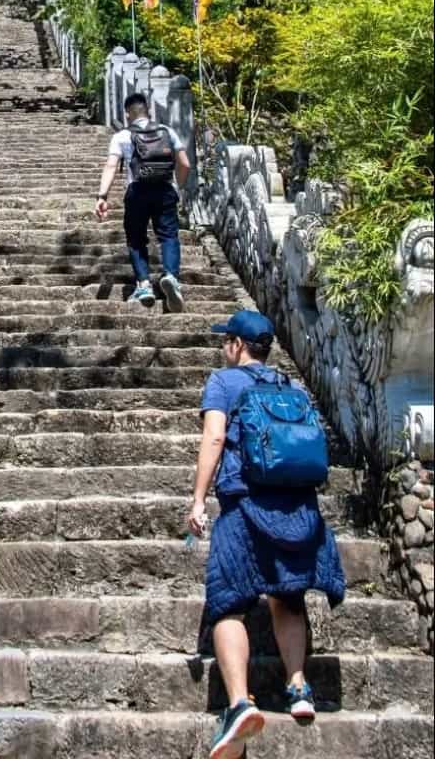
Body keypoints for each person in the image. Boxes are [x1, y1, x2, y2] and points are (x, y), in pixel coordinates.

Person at [188, 310, 346, 759]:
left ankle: (240, 703)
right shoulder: (288, 386)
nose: (224, 348)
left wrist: (198, 499)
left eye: (227, 341)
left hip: (244, 504)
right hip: (296, 506)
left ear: (237, 345)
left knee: (229, 603)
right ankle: (298, 688)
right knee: (288, 597)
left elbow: (214, 438)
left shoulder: (223, 382)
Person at [95, 92, 191, 310]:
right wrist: (180, 188)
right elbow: (185, 164)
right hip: (166, 189)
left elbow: (111, 166)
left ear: (127, 114)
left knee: (136, 239)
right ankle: (171, 277)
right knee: (168, 235)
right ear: (148, 110)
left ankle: (144, 284)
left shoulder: (121, 136)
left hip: (136, 190)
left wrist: (102, 197)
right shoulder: (167, 131)